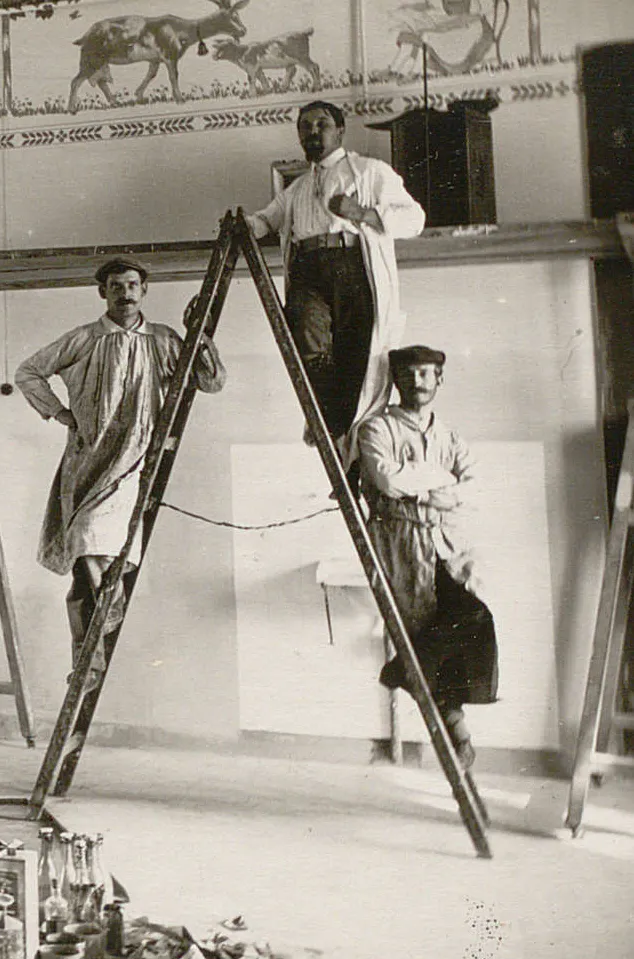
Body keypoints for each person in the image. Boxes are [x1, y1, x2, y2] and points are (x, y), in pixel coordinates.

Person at [15, 257, 227, 662]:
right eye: (116, 286)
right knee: (83, 548)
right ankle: (88, 653)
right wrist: (61, 414)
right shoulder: (84, 339)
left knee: (104, 547)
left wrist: (196, 336)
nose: (125, 293)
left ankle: (97, 642)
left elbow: (212, 381)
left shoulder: (163, 340)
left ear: (143, 291)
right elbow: (29, 372)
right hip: (88, 461)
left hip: (136, 461)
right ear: (103, 293)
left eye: (132, 285)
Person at [246, 100, 426, 461]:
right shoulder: (297, 187)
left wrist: (361, 213)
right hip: (309, 270)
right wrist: (245, 224)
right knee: (306, 336)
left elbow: (415, 219)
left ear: (340, 130)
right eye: (305, 127)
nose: (313, 132)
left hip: (353, 269)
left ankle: (351, 451)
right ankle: (328, 419)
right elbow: (268, 218)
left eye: (321, 124)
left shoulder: (369, 171)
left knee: (356, 357)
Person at [358, 345, 497, 768]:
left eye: (426, 374)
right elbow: (387, 478)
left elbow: (474, 487)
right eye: (410, 374)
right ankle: (457, 731)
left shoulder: (449, 436)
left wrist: (430, 486)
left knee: (473, 620)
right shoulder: (377, 429)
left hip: (448, 545)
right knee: (422, 629)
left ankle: (403, 670)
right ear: (396, 380)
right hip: (401, 542)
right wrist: (441, 481)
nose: (418, 381)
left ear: (439, 379)